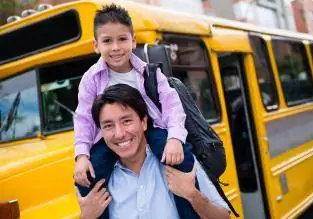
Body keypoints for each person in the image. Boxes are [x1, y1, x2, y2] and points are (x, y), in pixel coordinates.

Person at [73, 3, 199, 218]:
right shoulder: (91, 78)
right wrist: (81, 156)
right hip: (111, 135)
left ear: (134, 41)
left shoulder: (149, 72)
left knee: (183, 159)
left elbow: (173, 106)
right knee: (87, 176)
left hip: (152, 127)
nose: (115, 47)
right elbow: (84, 119)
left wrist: (175, 139)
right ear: (96, 45)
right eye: (107, 41)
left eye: (122, 39)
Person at [76, 84, 231, 219]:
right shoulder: (96, 177)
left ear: (144, 122)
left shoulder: (179, 162)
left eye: (127, 121)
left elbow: (223, 217)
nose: (119, 133)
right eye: (108, 125)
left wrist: (192, 194)